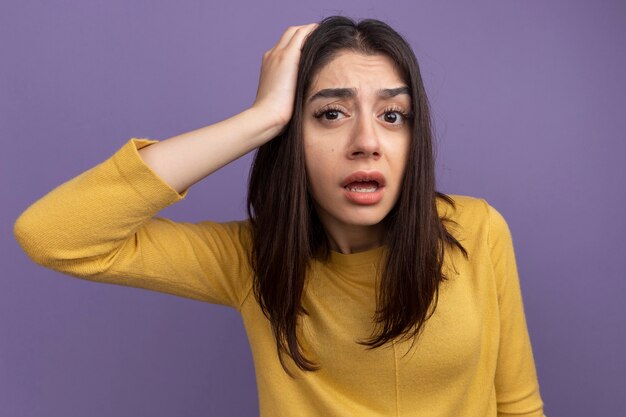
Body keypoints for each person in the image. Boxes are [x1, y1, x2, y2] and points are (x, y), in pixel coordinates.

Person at [13, 16, 546, 417]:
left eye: (393, 115)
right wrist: (259, 118)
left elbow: (519, 407)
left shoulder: (476, 231)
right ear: (291, 136)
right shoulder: (251, 259)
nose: (367, 142)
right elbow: (53, 234)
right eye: (331, 114)